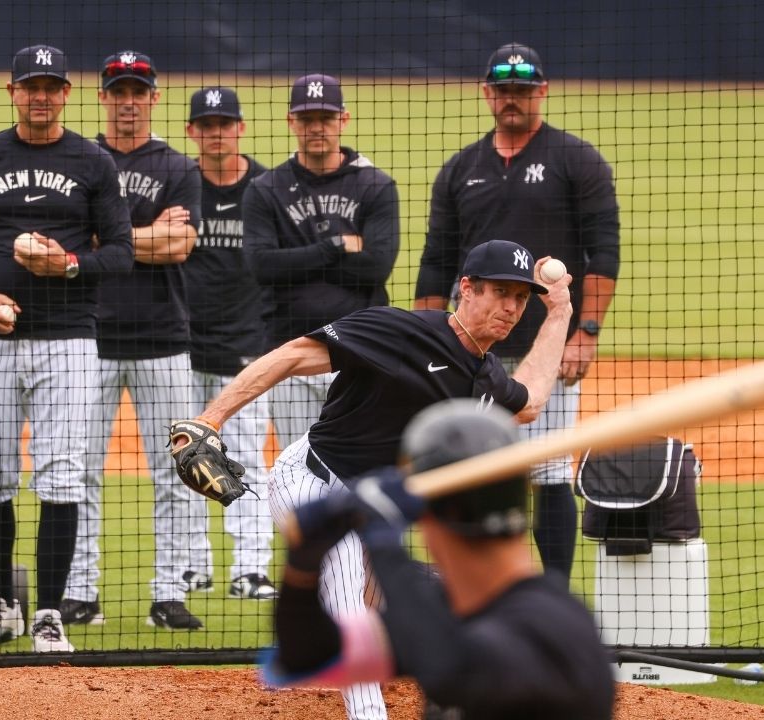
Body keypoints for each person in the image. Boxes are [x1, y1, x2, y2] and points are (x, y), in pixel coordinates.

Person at [180, 239, 571, 720]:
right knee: (350, 609)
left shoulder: (486, 374)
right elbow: (292, 356)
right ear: (466, 289)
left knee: (440, 602)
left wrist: (558, 314)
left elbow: (529, 403)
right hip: (312, 484)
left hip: (372, 510)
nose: (510, 307)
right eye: (499, 292)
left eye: (520, 298)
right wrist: (210, 420)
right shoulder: (400, 330)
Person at [0, 45, 134, 653]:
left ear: (66, 94)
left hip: (69, 342)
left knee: (61, 476)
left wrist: (67, 264)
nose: (40, 95)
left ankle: (48, 613)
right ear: (12, 91)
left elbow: (120, 253)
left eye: (51, 86)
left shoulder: (92, 161)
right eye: (30, 85)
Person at [263, 398, 615, 719]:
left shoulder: (552, 627)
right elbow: (307, 653)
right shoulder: (460, 612)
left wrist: (383, 542)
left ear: (428, 519)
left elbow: (454, 663)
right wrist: (305, 565)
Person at [414, 42, 620, 581]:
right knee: (466, 469)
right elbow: (436, 260)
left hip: (547, 347)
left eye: (522, 90)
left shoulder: (576, 160)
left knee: (548, 471)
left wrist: (586, 332)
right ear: (486, 94)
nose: (512, 99)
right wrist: (425, 335)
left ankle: (550, 592)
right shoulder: (462, 168)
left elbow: (604, 252)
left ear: (542, 92)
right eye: (502, 90)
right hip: (470, 348)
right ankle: (469, 586)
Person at [60, 50, 209, 631]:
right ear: (102, 98)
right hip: (87, 338)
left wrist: (105, 240)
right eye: (117, 91)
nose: (127, 101)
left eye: (137, 91)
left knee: (176, 469)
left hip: (163, 338)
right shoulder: (77, 160)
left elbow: (179, 247)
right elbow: (77, 239)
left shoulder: (178, 167)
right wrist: (133, 238)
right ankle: (79, 591)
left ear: (154, 98)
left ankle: (168, 594)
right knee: (78, 471)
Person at [242, 73, 400, 450]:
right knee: (298, 473)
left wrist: (297, 259)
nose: (317, 128)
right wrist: (335, 246)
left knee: (359, 465)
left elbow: (376, 267)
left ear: (343, 120)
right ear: (291, 121)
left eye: (326, 118)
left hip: (361, 353)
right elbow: (263, 267)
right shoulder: (265, 189)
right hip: (289, 351)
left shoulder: (375, 186)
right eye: (307, 118)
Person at [182, 86, 276, 600]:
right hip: (184, 344)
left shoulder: (265, 187)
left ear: (240, 128)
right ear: (192, 132)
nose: (216, 132)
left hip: (247, 345)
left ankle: (250, 569)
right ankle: (192, 566)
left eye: (225, 123)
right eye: (206, 124)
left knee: (245, 459)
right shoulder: (180, 182)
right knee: (186, 460)